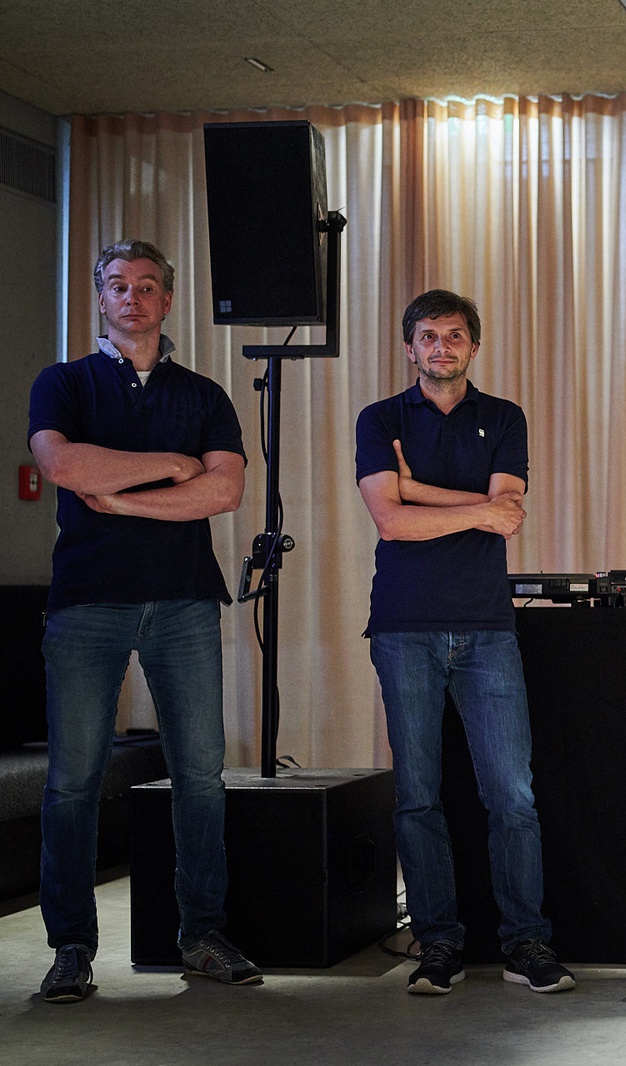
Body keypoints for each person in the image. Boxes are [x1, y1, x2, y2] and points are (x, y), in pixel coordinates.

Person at [28, 239, 259, 1002]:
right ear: (100, 298)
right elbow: (63, 466)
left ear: (167, 299)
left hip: (184, 600)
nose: (133, 297)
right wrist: (171, 464)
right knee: (72, 782)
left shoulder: (204, 395)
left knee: (201, 775)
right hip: (87, 602)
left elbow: (223, 493)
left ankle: (202, 935)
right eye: (118, 285)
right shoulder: (63, 382)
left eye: (148, 285)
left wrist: (120, 498)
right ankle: (71, 948)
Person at [356, 289, 573, 997]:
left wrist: (418, 491)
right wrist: (462, 506)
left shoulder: (503, 417)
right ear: (409, 347)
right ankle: (439, 942)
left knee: (512, 794)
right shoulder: (380, 419)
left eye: (454, 335)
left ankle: (526, 942)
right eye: (428, 335)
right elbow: (391, 523)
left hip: (486, 629)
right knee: (418, 796)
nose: (441, 347)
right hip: (403, 626)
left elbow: (508, 515)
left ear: (473, 346)